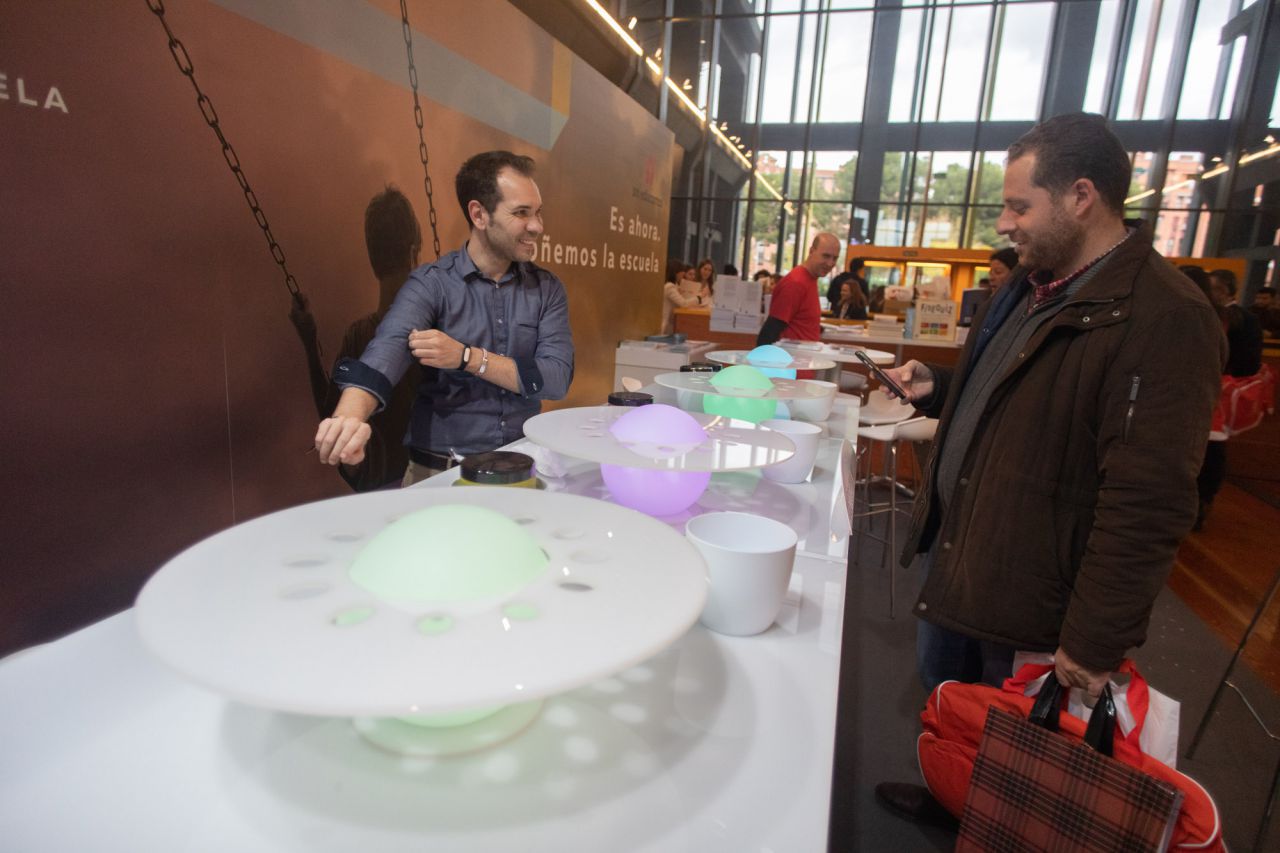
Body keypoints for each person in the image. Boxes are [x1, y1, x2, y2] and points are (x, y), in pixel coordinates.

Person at [873, 114, 1224, 829]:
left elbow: (1148, 501)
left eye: (1019, 206)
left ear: (1081, 197)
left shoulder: (1166, 317)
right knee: (955, 709)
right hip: (966, 553)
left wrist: (1094, 640)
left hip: (1036, 591)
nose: (1005, 223)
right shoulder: (1033, 284)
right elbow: (1018, 393)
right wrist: (941, 386)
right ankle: (953, 796)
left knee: (1024, 757)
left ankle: (990, 824)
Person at [314, 150, 575, 485]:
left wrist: (468, 358)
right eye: (521, 213)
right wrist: (349, 418)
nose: (537, 226)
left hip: (519, 471)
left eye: (538, 212)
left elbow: (556, 378)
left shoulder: (547, 290)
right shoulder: (431, 284)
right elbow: (385, 352)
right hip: (439, 475)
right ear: (479, 215)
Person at [290, 186, 422, 491]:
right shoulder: (438, 331)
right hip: (436, 485)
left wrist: (309, 341)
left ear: (372, 258)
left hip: (378, 497)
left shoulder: (359, 336)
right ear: (414, 253)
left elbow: (331, 416)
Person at [1181, 265, 1263, 529]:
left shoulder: (1209, 316)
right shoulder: (1221, 316)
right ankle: (1198, 503)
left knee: (1202, 450)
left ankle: (1196, 503)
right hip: (1208, 394)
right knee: (1208, 450)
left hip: (1200, 393)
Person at [756, 232, 840, 345]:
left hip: (803, 353)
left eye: (835, 258)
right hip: (791, 355)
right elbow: (770, 331)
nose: (830, 263)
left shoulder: (810, 279)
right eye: (826, 256)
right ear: (811, 251)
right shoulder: (795, 283)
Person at [661, 258, 706, 335]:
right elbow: (684, 303)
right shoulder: (670, 287)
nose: (682, 277)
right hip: (667, 326)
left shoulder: (675, 286)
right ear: (676, 273)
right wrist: (699, 297)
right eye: (681, 274)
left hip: (672, 324)